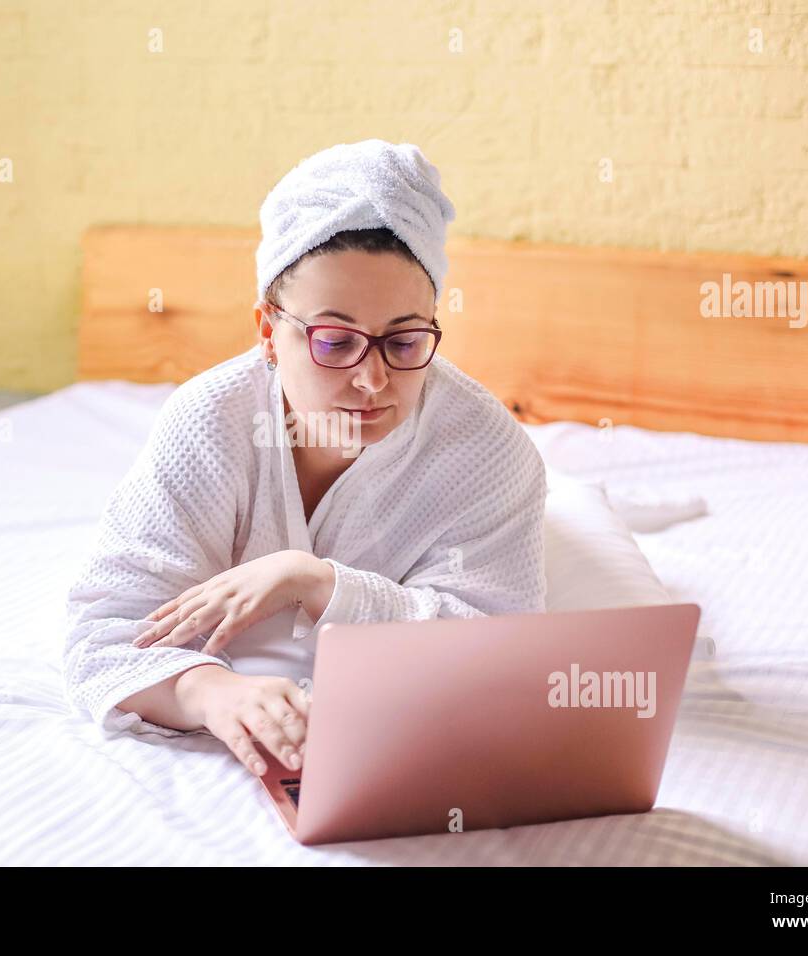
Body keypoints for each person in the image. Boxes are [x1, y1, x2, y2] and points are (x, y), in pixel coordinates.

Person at [62, 139, 547, 779]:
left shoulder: (489, 452)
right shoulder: (208, 422)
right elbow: (106, 626)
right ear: (269, 332)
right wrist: (210, 693)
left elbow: (500, 654)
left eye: (404, 340)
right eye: (335, 340)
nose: (373, 380)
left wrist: (316, 580)